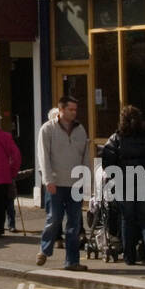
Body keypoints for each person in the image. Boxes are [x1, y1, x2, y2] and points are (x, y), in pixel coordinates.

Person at [101, 105, 145, 266]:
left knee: (127, 219)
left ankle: (129, 256)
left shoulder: (116, 139)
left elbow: (107, 163)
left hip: (124, 184)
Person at [36, 95, 90, 271]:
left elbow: (85, 155)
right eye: (70, 109)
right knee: (54, 219)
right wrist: (48, 180)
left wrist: (86, 178)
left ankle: (72, 261)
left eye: (75, 109)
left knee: (74, 223)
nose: (74, 113)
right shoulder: (47, 129)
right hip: (56, 183)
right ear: (61, 110)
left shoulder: (80, 129)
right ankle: (45, 249)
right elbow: (43, 156)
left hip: (75, 183)